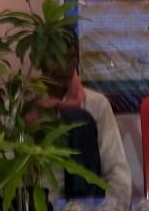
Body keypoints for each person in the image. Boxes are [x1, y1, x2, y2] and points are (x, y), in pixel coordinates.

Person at [36, 32, 132, 200]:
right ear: (39, 60)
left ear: (77, 59)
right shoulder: (22, 107)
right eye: (54, 56)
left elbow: (118, 176)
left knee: (77, 118)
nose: (62, 65)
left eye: (69, 57)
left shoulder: (96, 104)